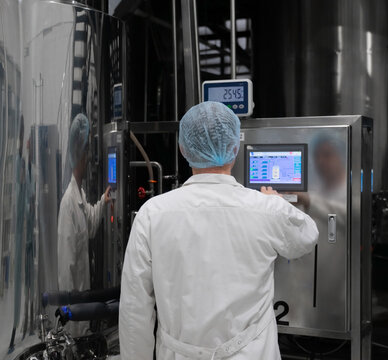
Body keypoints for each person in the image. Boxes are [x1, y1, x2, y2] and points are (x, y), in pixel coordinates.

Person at [119, 101, 319, 360]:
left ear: (183, 148)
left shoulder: (152, 214)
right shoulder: (266, 209)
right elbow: (307, 236)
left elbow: (135, 309)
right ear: (235, 148)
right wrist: (278, 202)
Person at [57, 113, 111, 336]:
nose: (89, 157)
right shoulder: (68, 203)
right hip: (74, 312)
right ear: (80, 154)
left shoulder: (80, 194)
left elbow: (89, 223)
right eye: (87, 151)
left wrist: (104, 201)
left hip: (82, 305)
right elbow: (66, 267)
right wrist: (69, 315)